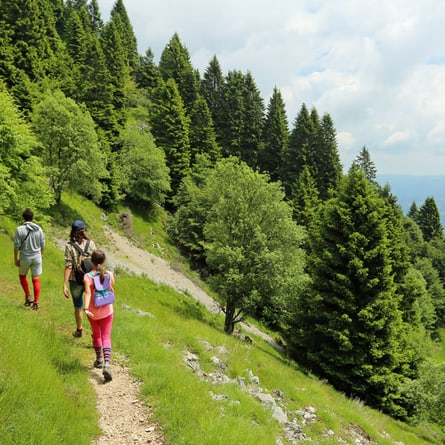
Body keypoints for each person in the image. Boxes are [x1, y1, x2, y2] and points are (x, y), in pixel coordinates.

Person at [83, 250, 115, 382]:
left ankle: (99, 359)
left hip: (93, 312)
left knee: (96, 335)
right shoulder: (109, 274)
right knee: (106, 336)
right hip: (107, 310)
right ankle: (107, 363)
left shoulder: (87, 277)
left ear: (91, 261)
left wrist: (85, 308)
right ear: (104, 261)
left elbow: (88, 293)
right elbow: (111, 285)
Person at [63, 219, 97, 338]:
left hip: (75, 281)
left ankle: (79, 329)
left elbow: (69, 266)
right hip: (91, 280)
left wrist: (64, 284)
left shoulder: (69, 246)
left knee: (78, 306)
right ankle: (96, 333)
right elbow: (97, 262)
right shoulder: (91, 244)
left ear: (72, 231)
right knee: (92, 306)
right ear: (84, 230)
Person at [13, 208, 45, 310]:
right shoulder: (39, 229)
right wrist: (41, 255)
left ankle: (27, 295)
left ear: (23, 218)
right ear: (32, 217)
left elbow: (16, 246)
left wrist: (16, 259)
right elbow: (43, 244)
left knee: (22, 276)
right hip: (37, 257)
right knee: (36, 279)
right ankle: (36, 302)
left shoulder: (19, 229)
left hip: (25, 257)